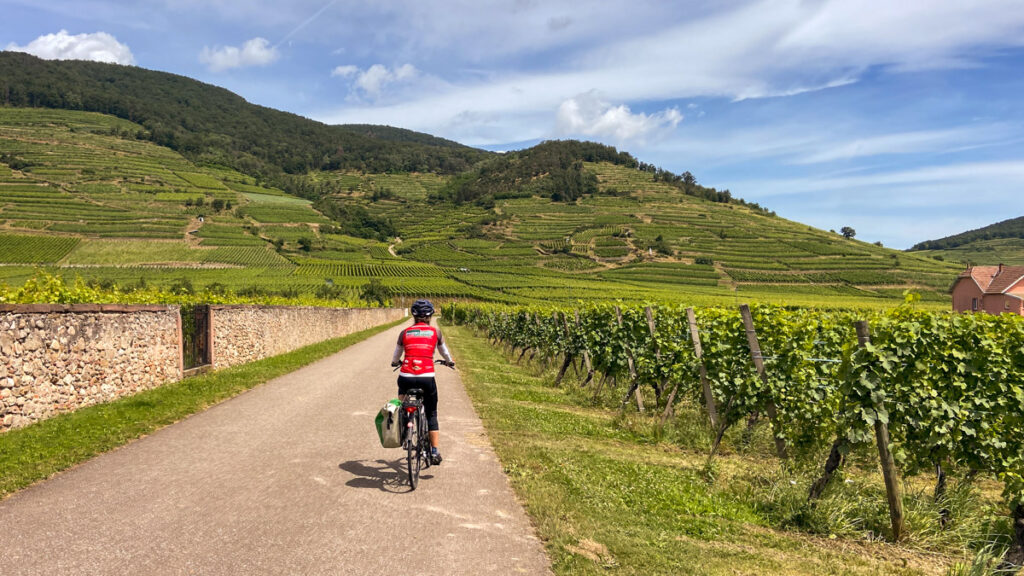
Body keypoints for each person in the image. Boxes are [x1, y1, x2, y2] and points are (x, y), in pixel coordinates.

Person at [391, 299, 454, 465]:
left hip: (406, 377)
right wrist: (450, 361)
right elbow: (445, 352)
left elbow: (396, 355)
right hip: (426, 377)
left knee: (402, 400)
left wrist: (395, 362)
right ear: (430, 315)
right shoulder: (435, 333)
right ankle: (434, 451)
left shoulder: (404, 333)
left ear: (414, 316)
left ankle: (405, 425)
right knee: (431, 412)